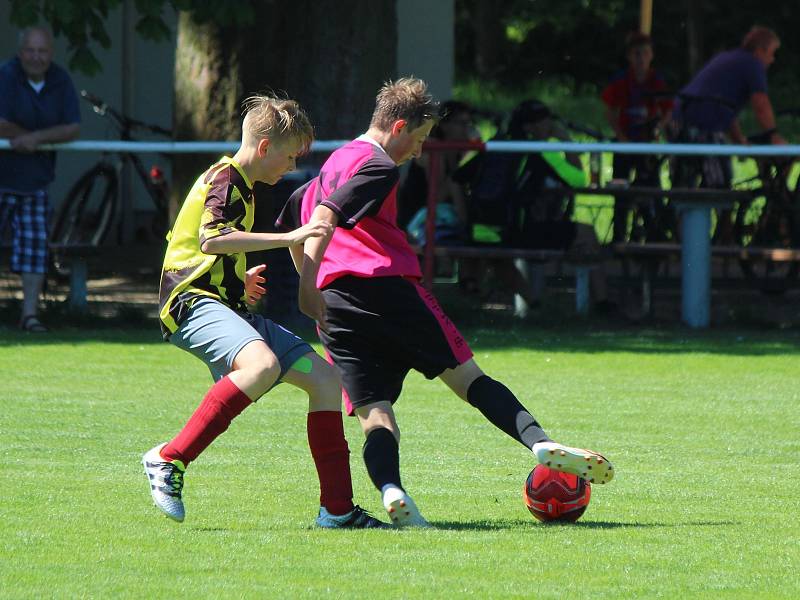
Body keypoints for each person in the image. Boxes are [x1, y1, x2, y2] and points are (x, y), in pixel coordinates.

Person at [277, 78, 614, 527]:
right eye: (418, 140)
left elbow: (296, 227)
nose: (418, 151)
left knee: (375, 413)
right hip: (389, 286)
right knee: (469, 379)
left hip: (338, 305)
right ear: (398, 126)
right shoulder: (378, 165)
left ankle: (392, 490)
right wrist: (305, 290)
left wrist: (312, 280)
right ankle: (538, 444)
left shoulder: (333, 163)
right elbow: (323, 220)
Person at [142, 94, 385, 529]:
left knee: (326, 381)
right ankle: (168, 460)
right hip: (189, 301)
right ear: (265, 146)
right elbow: (212, 239)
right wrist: (291, 237)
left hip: (221, 300)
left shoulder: (242, 185)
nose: (291, 167)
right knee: (261, 365)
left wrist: (238, 277)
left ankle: (337, 510)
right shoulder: (226, 178)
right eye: (290, 156)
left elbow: (217, 247)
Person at [456, 99, 616, 313]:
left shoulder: (496, 144)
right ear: (531, 127)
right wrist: (565, 140)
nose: (550, 126)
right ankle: (602, 303)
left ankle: (534, 304)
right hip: (519, 231)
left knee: (497, 254)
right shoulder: (539, 149)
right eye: (545, 122)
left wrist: (463, 217)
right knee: (586, 232)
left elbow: (457, 178)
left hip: (483, 229)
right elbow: (579, 181)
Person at [670, 26, 786, 241]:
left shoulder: (730, 59)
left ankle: (701, 236)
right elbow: (760, 103)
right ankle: (719, 240)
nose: (772, 60)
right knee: (720, 183)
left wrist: (739, 139)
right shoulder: (752, 65)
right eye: (771, 53)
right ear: (760, 50)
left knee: (689, 182)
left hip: (684, 118)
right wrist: (773, 135)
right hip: (699, 125)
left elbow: (724, 106)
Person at [0, 26, 81, 332]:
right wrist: (27, 137)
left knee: (34, 250)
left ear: (51, 53)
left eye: (42, 51)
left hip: (35, 181)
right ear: (21, 52)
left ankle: (29, 314)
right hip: (2, 177)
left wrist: (35, 138)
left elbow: (72, 127)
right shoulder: (6, 75)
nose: (36, 57)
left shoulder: (60, 79)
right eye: (30, 51)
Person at [601, 32, 673, 241]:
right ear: (629, 57)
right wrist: (620, 136)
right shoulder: (621, 80)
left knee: (652, 188)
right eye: (636, 54)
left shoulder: (657, 80)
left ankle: (656, 233)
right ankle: (619, 237)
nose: (641, 59)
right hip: (625, 143)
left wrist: (659, 127)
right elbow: (609, 111)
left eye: (645, 53)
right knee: (621, 189)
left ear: (652, 55)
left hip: (647, 144)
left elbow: (668, 109)